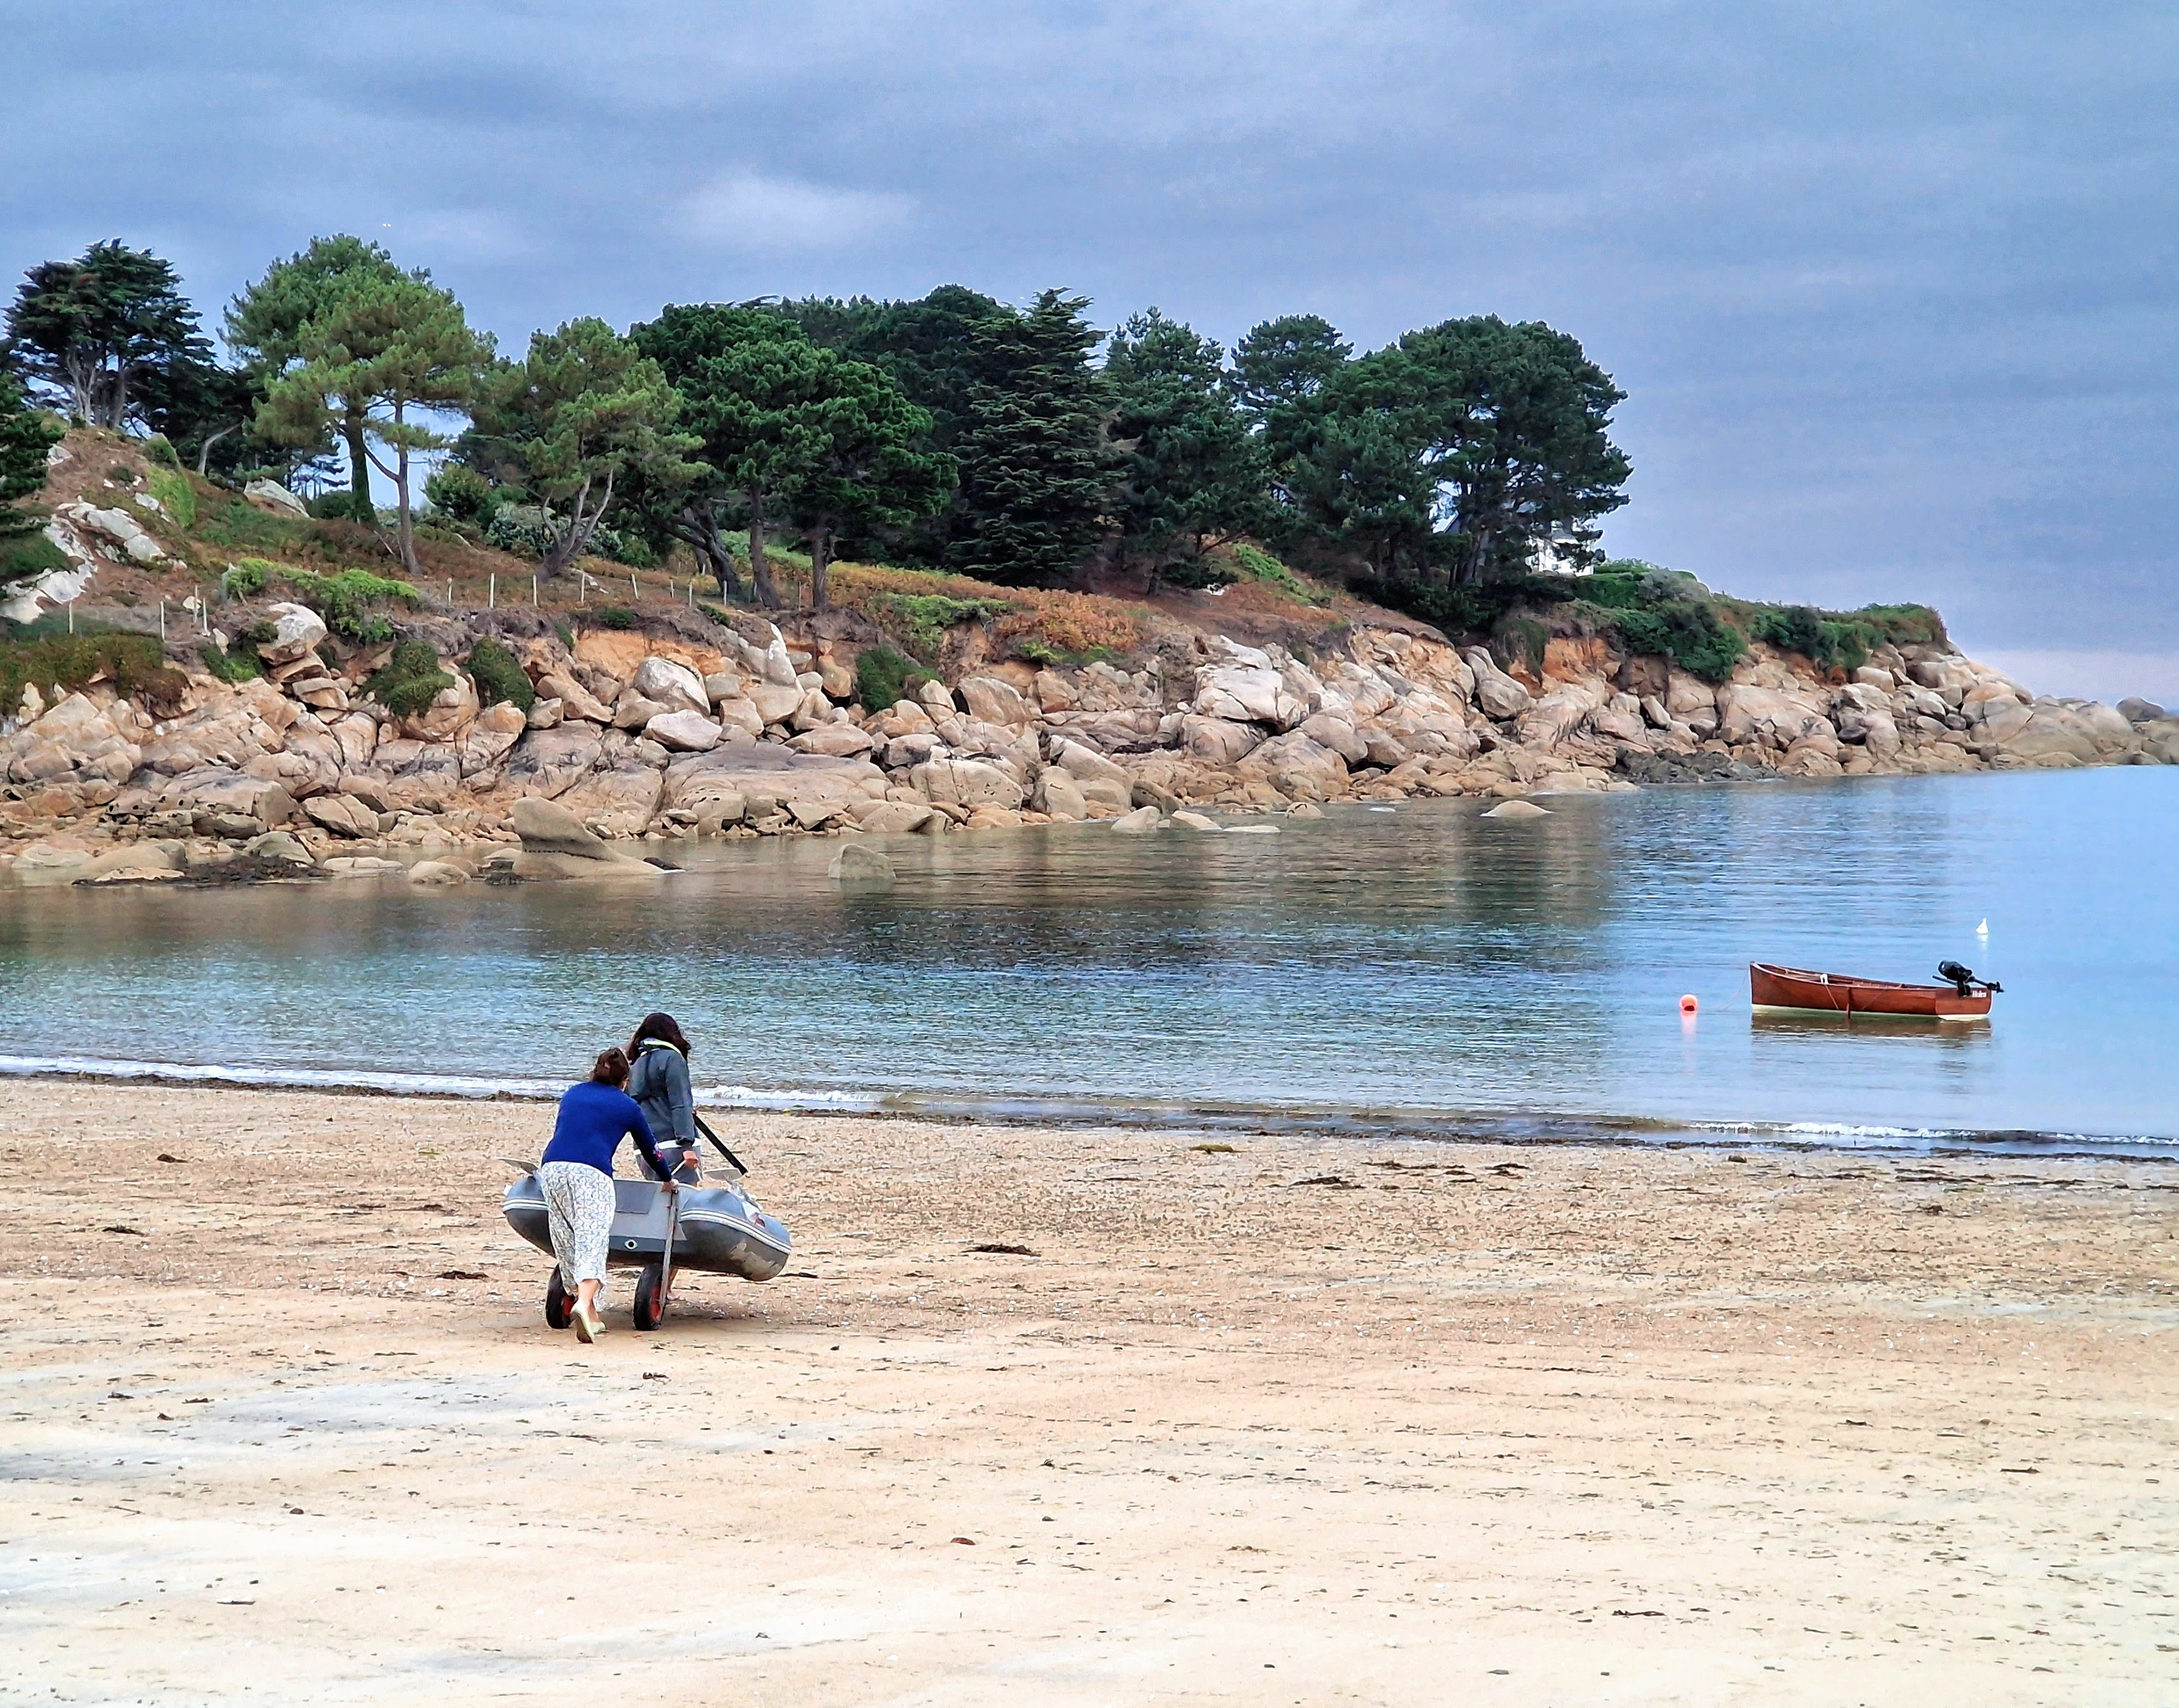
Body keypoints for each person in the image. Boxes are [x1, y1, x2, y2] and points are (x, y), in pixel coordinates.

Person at [537, 1047, 678, 1343]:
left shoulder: (573, 1094)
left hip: (551, 1168)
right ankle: (584, 1304)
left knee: (566, 1237)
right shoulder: (627, 1107)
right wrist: (667, 1178)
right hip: (591, 1174)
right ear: (625, 1080)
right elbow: (651, 1150)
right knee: (593, 1239)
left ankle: (591, 1312)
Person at [627, 1011, 702, 1184]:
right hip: (674, 1145)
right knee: (684, 1202)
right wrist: (687, 1145)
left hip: (645, 1150)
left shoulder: (635, 1066)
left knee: (662, 1204)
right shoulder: (673, 1059)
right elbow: (680, 1104)